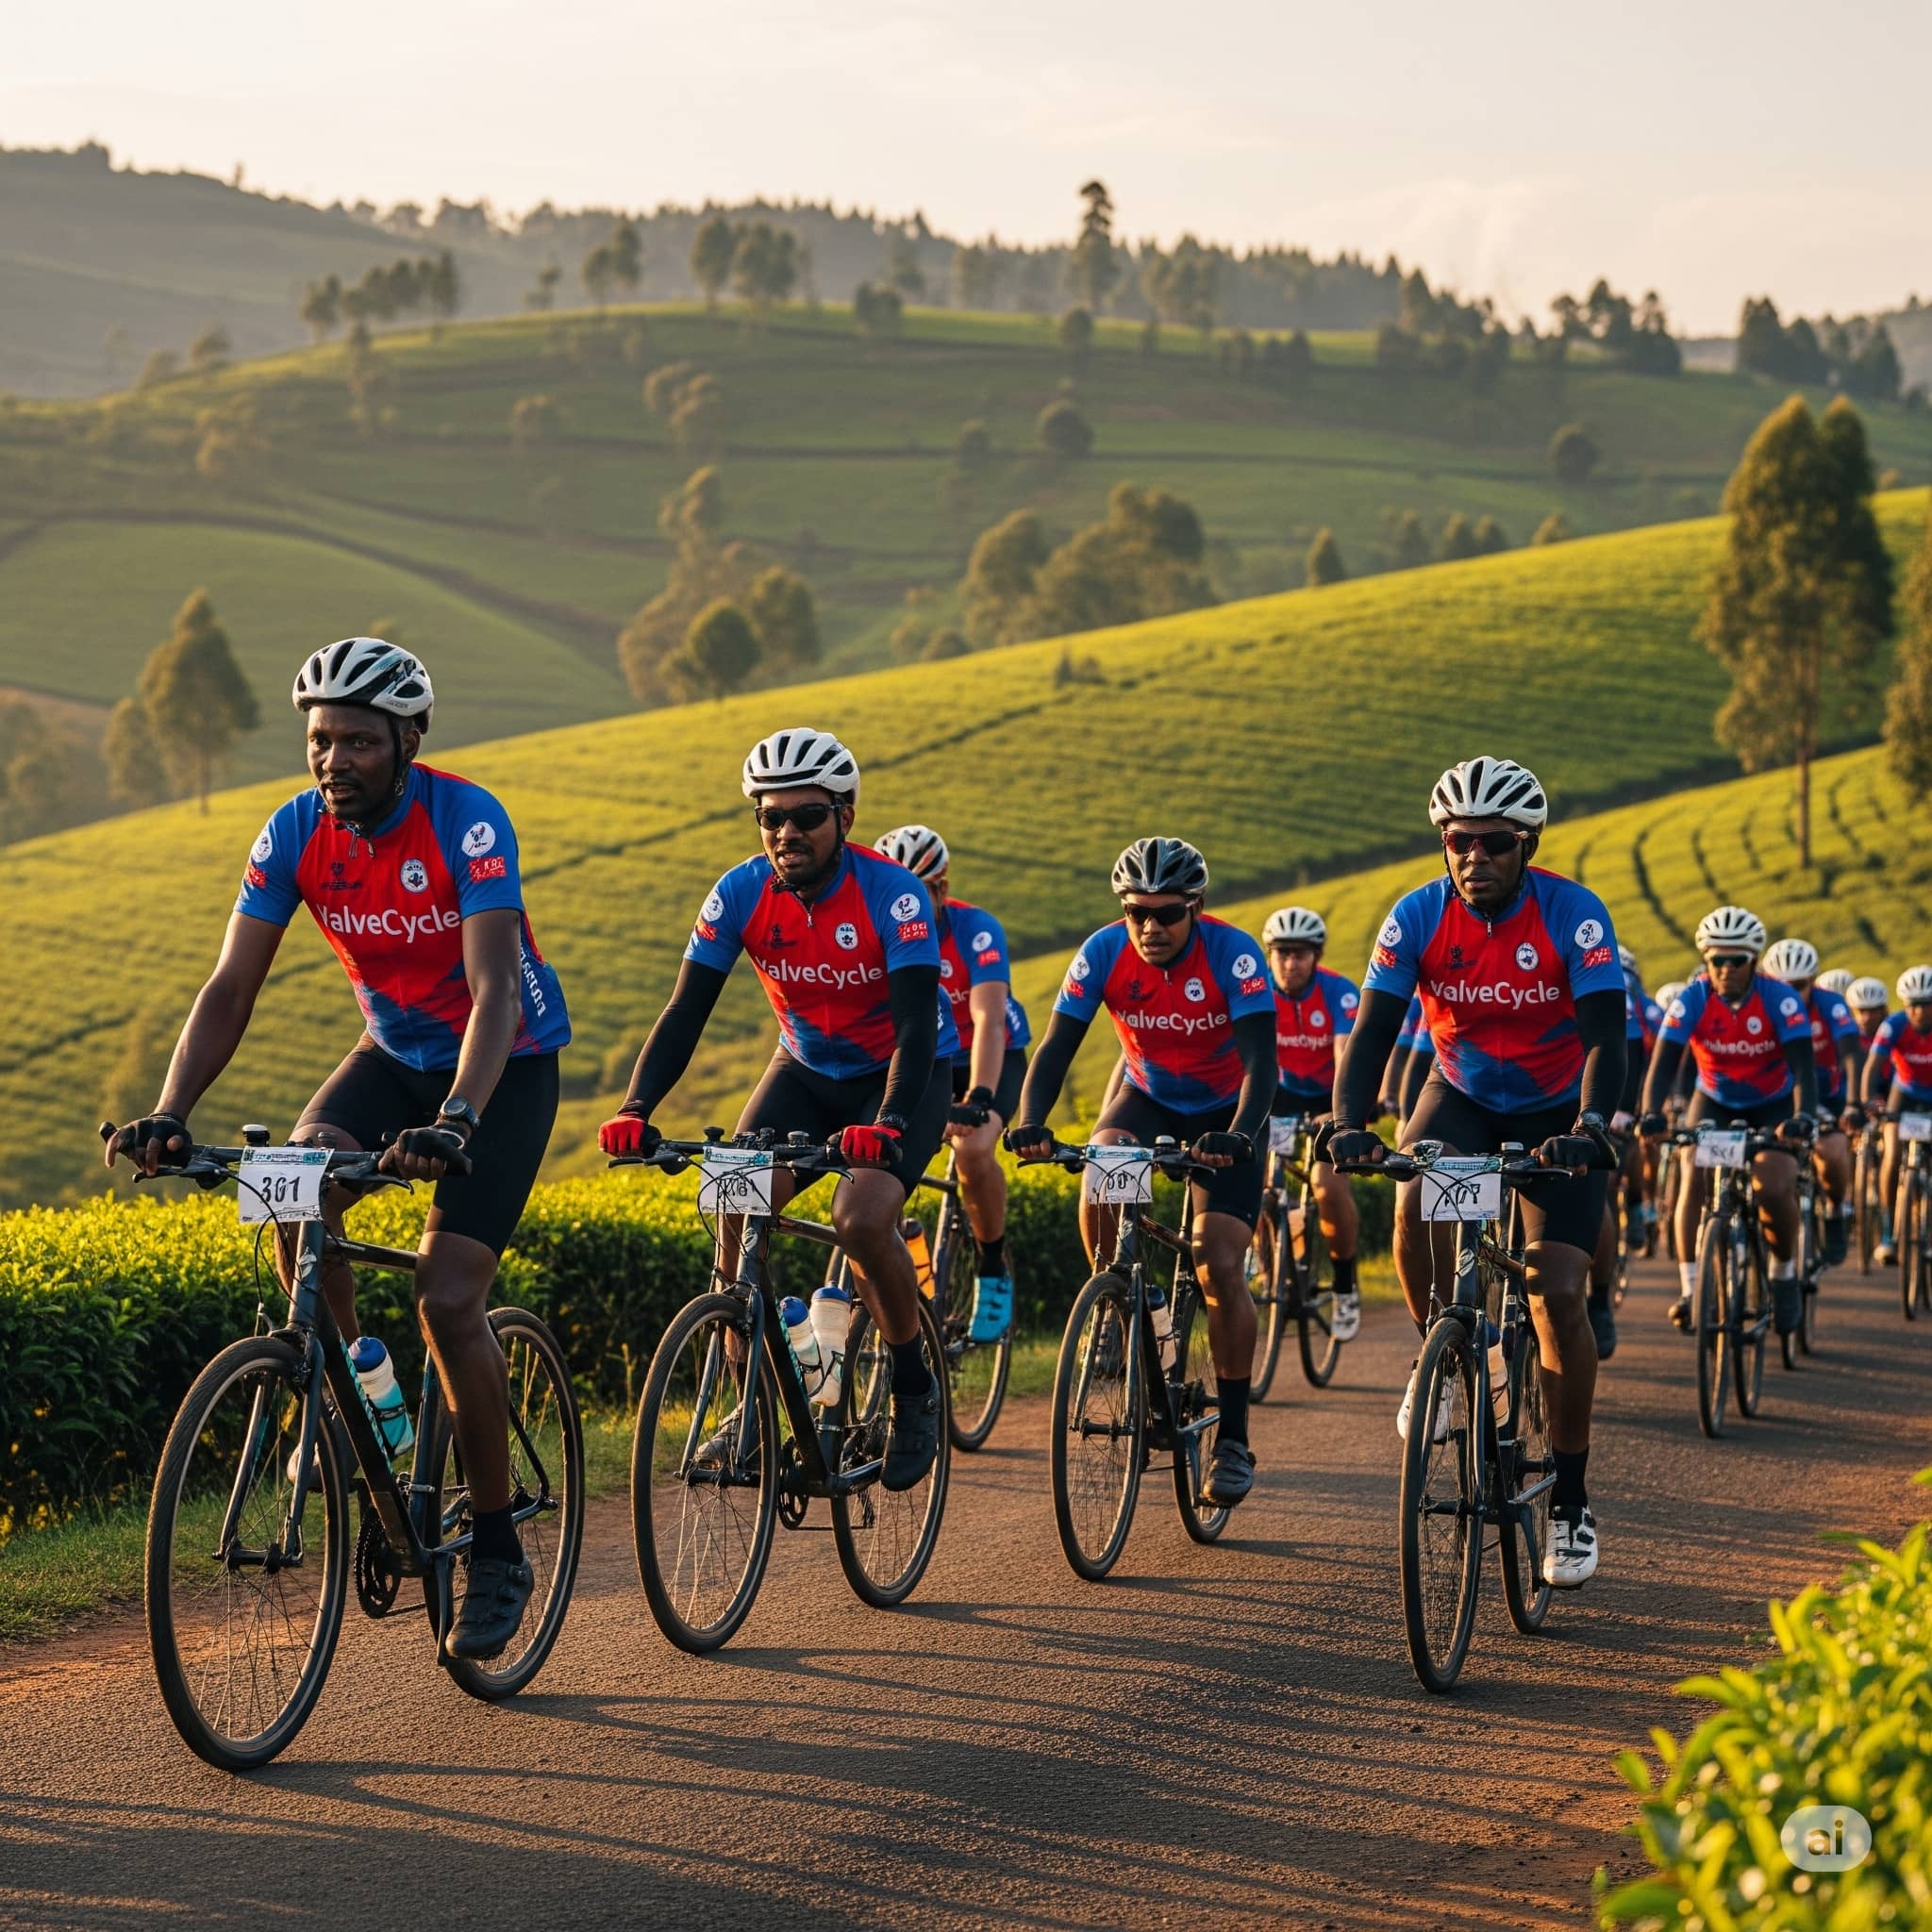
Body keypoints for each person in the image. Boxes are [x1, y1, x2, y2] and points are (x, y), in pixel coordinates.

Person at [104, 638, 570, 1659]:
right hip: (391, 1053)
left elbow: (495, 987)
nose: (334, 759)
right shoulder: (292, 832)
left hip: (502, 1065)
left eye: (359, 739)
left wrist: (455, 1118)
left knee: (448, 1297)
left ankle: (495, 1547)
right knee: (290, 1188)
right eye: (320, 739)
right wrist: (171, 1106)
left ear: (409, 739)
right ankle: (360, 1394)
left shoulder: (467, 819)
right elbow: (231, 987)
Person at [598, 728, 954, 1491]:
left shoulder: (894, 893)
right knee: (732, 1201)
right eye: (770, 818)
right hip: (803, 1067)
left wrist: (888, 1122)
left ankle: (912, 1383)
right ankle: (753, 1404)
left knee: (860, 1219)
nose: (786, 832)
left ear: (846, 819)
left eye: (807, 817)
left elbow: (919, 1027)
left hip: (900, 1075)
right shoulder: (739, 892)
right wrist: (636, 1106)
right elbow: (685, 1011)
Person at [1328, 756, 1624, 1590]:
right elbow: (1374, 1031)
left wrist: (1592, 1126)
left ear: (1525, 845)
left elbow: (1607, 1035)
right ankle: (1449, 1360)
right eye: (1460, 841)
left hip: (1557, 1109)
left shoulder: (1574, 914)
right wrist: (1350, 1124)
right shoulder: (1418, 915)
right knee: (1415, 1200)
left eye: (1494, 842)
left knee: (1557, 1291)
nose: (1474, 857)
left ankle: (1569, 1501)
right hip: (1457, 1091)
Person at [1005, 838, 1274, 1507]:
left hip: (1226, 1109)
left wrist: (1239, 1136)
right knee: (1102, 1164)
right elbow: (1056, 1046)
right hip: (1149, 1095)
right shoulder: (1103, 952)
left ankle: (1234, 1438)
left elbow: (1263, 1064)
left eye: (1166, 913)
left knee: (1216, 1262)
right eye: (1137, 913)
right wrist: (1033, 1120)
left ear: (1196, 907)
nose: (1151, 927)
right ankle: (1123, 1302)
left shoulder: (1233, 954)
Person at [874, 823, 1031, 1343]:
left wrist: (980, 1098)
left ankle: (991, 1267)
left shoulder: (976, 930)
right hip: (924, 1055)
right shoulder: (880, 928)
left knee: (973, 1150)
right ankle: (912, 1268)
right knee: (879, 1163)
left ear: (941, 890)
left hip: (987, 1057)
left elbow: (987, 1018)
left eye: (917, 893)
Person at [1639, 908, 1815, 1334]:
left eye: (1737, 961)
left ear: (1754, 961)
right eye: (1717, 960)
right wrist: (1650, 1113)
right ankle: (1691, 1288)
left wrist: (1803, 1116)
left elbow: (1804, 1069)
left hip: (1772, 1103)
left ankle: (1784, 1271)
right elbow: (1662, 1066)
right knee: (1690, 1173)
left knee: (1773, 1185)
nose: (1726, 969)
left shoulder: (1780, 998)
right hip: (1714, 1099)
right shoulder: (1693, 997)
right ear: (1706, 961)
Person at [1259, 906, 1362, 1341]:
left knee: (1328, 1185)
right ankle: (1271, 1278)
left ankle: (1344, 1284)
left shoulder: (1338, 993)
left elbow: (1346, 1054)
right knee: (1266, 1187)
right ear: (1270, 956)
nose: (1290, 963)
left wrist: (1341, 1113)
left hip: (1327, 1097)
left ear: (1316, 956)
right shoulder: (1258, 991)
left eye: (1300, 954)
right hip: (1278, 1096)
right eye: (1282, 953)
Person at [1762, 937, 1861, 1267]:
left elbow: (1851, 1053)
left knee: (1833, 1151)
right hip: (1779, 1093)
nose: (1792, 993)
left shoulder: (1831, 1003)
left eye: (1800, 985)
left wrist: (1853, 1104)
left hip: (1827, 1093)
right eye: (1783, 984)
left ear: (1814, 981)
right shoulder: (1760, 1004)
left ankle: (1835, 1208)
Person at [1861, 965, 1932, 1266]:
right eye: (1913, 1005)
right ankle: (1889, 1233)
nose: (1919, 1011)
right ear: (1905, 1005)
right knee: (1892, 1155)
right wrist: (1866, 1102)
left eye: (1926, 1004)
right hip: (1902, 1095)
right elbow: (1873, 1067)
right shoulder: (1893, 1024)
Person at [1848, 975, 1891, 1050]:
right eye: (1861, 1011)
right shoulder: (1845, 1039)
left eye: (1873, 1011)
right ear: (1851, 1011)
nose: (1867, 1018)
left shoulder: (1898, 1035)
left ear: (1884, 1011)